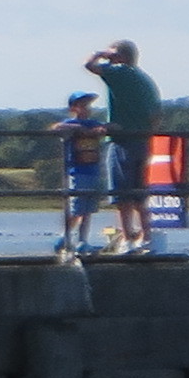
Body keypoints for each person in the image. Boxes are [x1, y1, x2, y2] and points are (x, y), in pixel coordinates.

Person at [87, 40, 162, 256]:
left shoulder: (119, 73)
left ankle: (128, 239)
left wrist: (99, 53)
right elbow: (156, 115)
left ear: (119, 56)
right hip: (143, 141)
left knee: (122, 194)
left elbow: (90, 66)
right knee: (140, 194)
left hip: (122, 142)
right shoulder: (145, 79)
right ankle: (146, 238)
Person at [47, 92, 107, 257]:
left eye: (89, 105)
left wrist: (103, 129)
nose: (87, 109)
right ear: (73, 108)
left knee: (88, 210)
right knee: (76, 209)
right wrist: (78, 128)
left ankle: (83, 241)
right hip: (77, 171)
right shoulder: (70, 123)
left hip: (93, 171)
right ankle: (65, 237)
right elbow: (56, 127)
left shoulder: (94, 123)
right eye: (83, 105)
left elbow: (113, 127)